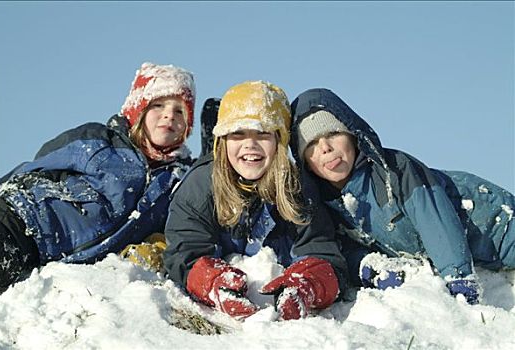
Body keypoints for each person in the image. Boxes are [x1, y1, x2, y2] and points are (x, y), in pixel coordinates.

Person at [289, 88, 515, 305]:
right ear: (304, 160)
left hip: (496, 223)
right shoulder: (326, 204)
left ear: (352, 136)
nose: (325, 148)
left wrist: (459, 278)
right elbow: (341, 248)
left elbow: (434, 221)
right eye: (311, 144)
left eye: (333, 133)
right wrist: (370, 268)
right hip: (484, 254)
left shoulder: (395, 169)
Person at [0, 62, 196, 292]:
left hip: (42, 257)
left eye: (180, 110)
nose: (169, 115)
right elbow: (38, 164)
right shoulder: (99, 140)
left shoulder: (175, 182)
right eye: (158, 105)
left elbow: (181, 225)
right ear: (139, 109)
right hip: (19, 221)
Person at [164, 81, 347, 320]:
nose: (250, 144)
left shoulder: (297, 187)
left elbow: (321, 250)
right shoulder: (200, 186)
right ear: (223, 142)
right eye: (238, 134)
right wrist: (211, 280)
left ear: (279, 142)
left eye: (262, 133)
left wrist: (309, 283)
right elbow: (184, 252)